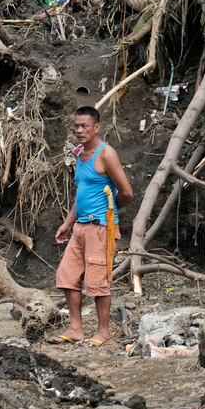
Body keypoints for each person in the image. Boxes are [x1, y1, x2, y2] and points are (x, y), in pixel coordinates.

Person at [50, 106, 134, 346]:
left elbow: (127, 192)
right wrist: (68, 223)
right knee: (67, 277)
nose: (79, 130)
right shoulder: (79, 154)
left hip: (100, 228)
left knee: (97, 283)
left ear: (96, 127)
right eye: (76, 126)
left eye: (84, 126)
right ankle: (75, 329)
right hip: (80, 228)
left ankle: (102, 333)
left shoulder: (106, 153)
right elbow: (81, 193)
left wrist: (109, 211)